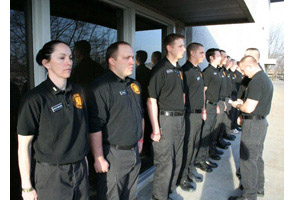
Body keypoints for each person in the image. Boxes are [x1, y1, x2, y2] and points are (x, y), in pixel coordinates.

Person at [17, 40, 90, 200]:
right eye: (61, 58)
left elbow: (82, 129)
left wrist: (84, 162)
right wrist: (27, 187)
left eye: (70, 57)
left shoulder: (78, 91)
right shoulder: (35, 98)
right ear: (46, 63)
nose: (69, 62)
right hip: (52, 175)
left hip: (80, 171)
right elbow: (24, 146)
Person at [87, 41, 144, 200]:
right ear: (112, 61)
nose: (132, 61)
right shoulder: (101, 87)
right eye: (127, 58)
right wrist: (99, 158)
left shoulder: (134, 85)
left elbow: (141, 115)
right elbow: (95, 125)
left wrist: (140, 140)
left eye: (132, 57)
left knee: (131, 195)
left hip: (134, 152)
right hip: (113, 156)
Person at [229, 56, 273, 200]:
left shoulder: (256, 81)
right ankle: (258, 187)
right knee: (256, 157)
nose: (243, 74)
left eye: (243, 70)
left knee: (248, 160)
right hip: (260, 123)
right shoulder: (264, 79)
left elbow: (248, 107)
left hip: (253, 125)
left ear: (250, 66)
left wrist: (238, 105)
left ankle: (249, 195)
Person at [147, 33, 186, 200]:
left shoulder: (179, 69)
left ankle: (169, 191)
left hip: (179, 119)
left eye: (184, 46)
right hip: (166, 120)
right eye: (180, 46)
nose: (183, 49)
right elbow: (151, 100)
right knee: (165, 162)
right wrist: (156, 128)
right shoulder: (160, 69)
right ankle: (159, 197)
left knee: (177, 157)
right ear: (169, 48)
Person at [177, 43, 205, 192]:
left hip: (198, 113)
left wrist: (204, 109)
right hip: (189, 114)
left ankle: (189, 170)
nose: (203, 55)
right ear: (192, 53)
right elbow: (182, 95)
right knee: (187, 147)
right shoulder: (185, 71)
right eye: (201, 53)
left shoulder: (197, 70)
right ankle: (182, 176)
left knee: (194, 144)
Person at [195, 48, 222, 172]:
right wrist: (204, 109)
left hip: (213, 105)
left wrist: (216, 104)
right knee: (205, 133)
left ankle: (205, 157)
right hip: (208, 106)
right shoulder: (208, 72)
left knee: (210, 131)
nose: (221, 58)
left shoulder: (216, 71)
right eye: (218, 56)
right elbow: (203, 91)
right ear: (211, 58)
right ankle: (200, 160)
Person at [136, 50, 153, 156]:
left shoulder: (136, 71)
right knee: (147, 125)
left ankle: (142, 149)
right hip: (146, 100)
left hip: (140, 101)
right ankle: (146, 148)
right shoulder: (148, 71)